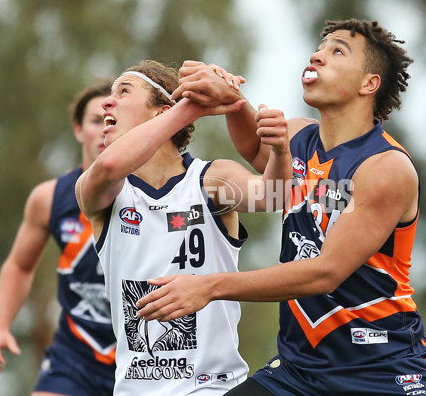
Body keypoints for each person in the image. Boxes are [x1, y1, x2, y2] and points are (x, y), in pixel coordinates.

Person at [135, 19, 426, 396]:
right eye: (321, 46)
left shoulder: (386, 167)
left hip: (379, 373)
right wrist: (231, 99)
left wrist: (209, 287)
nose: (318, 54)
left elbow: (325, 273)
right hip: (298, 373)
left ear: (369, 84)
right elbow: (257, 151)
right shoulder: (300, 134)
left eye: (338, 51)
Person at [74, 60, 291, 395]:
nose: (107, 101)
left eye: (124, 91)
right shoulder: (102, 189)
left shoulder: (211, 178)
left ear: (161, 111)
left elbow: (273, 196)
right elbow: (111, 165)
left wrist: (279, 149)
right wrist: (194, 105)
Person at [0, 80, 117, 396]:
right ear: (78, 129)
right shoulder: (50, 198)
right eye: (96, 121)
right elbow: (19, 266)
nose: (104, 130)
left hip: (145, 358)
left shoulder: (155, 194)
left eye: (113, 121)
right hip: (75, 356)